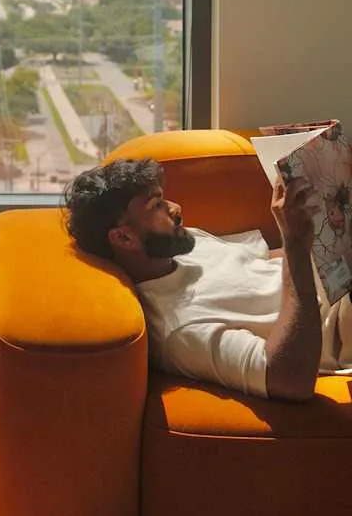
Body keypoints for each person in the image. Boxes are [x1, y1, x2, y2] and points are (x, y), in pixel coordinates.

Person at [63, 158, 352, 401]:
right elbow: (289, 380)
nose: (175, 208)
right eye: (157, 206)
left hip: (340, 276)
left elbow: (268, 260)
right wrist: (296, 246)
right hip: (340, 327)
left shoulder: (185, 245)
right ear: (123, 237)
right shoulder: (179, 330)